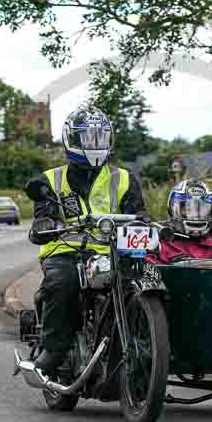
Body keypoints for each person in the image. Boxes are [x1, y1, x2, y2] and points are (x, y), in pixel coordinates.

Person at [27, 104, 148, 376]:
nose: (94, 144)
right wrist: (45, 222)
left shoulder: (125, 179)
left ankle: (147, 338)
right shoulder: (50, 179)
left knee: (142, 281)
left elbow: (138, 213)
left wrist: (144, 221)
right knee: (62, 283)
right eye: (87, 137)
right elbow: (43, 213)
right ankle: (54, 349)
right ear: (72, 139)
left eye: (99, 137)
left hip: (112, 252)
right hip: (66, 250)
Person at [145, 179, 212, 264]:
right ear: (173, 209)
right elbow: (146, 275)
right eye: (188, 209)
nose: (195, 216)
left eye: (201, 209)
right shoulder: (158, 243)